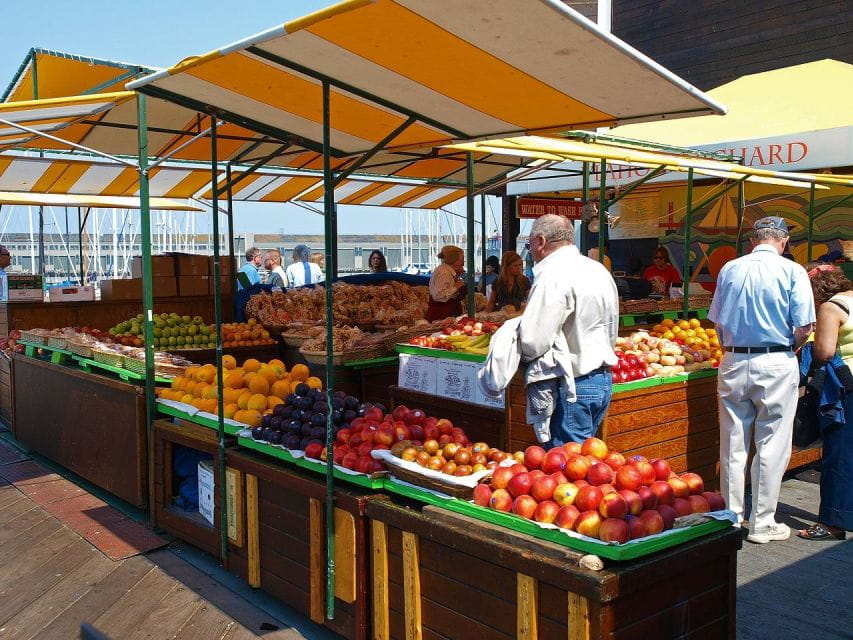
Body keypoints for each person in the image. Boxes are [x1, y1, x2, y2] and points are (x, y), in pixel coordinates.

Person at [709, 216, 815, 544]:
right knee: (772, 443)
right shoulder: (793, 271)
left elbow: (716, 323)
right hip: (775, 359)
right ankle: (763, 522)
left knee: (733, 443)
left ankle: (732, 515)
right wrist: (790, 348)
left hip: (734, 358)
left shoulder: (730, 268)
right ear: (783, 241)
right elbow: (804, 327)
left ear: (754, 240)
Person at [518, 214, 619, 446]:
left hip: (572, 385)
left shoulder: (553, 275)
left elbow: (533, 340)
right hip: (601, 381)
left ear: (541, 241)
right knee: (584, 466)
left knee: (565, 472)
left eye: (530, 243)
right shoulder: (598, 270)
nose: (530, 249)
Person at [797, 268, 853, 541]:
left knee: (838, 455)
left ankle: (832, 521)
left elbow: (825, 351)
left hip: (846, 388)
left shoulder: (831, 308)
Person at [426, 245, 466, 321]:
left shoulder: (446, 271)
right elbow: (438, 296)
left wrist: (457, 276)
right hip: (440, 315)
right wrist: (456, 287)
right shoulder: (444, 273)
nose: (463, 263)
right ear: (454, 260)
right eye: (462, 259)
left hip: (445, 313)